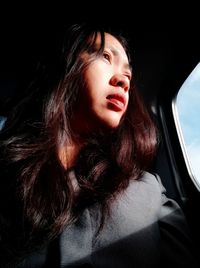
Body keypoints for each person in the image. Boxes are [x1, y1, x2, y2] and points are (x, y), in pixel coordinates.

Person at [0, 23, 198, 268]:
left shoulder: (150, 191)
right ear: (65, 67)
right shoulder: (7, 178)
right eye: (105, 57)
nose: (123, 82)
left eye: (128, 76)